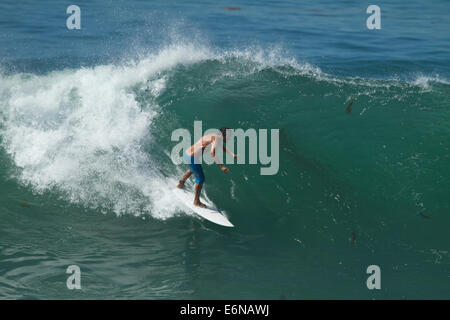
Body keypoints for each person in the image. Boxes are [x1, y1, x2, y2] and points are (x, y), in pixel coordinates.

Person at [177, 127, 237, 208]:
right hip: (192, 157)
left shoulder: (214, 136)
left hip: (187, 154)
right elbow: (212, 153)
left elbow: (221, 146)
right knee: (201, 179)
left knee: (192, 169)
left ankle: (181, 183)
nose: (229, 138)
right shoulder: (216, 139)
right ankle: (196, 201)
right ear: (223, 135)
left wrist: (232, 154)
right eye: (229, 136)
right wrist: (222, 166)